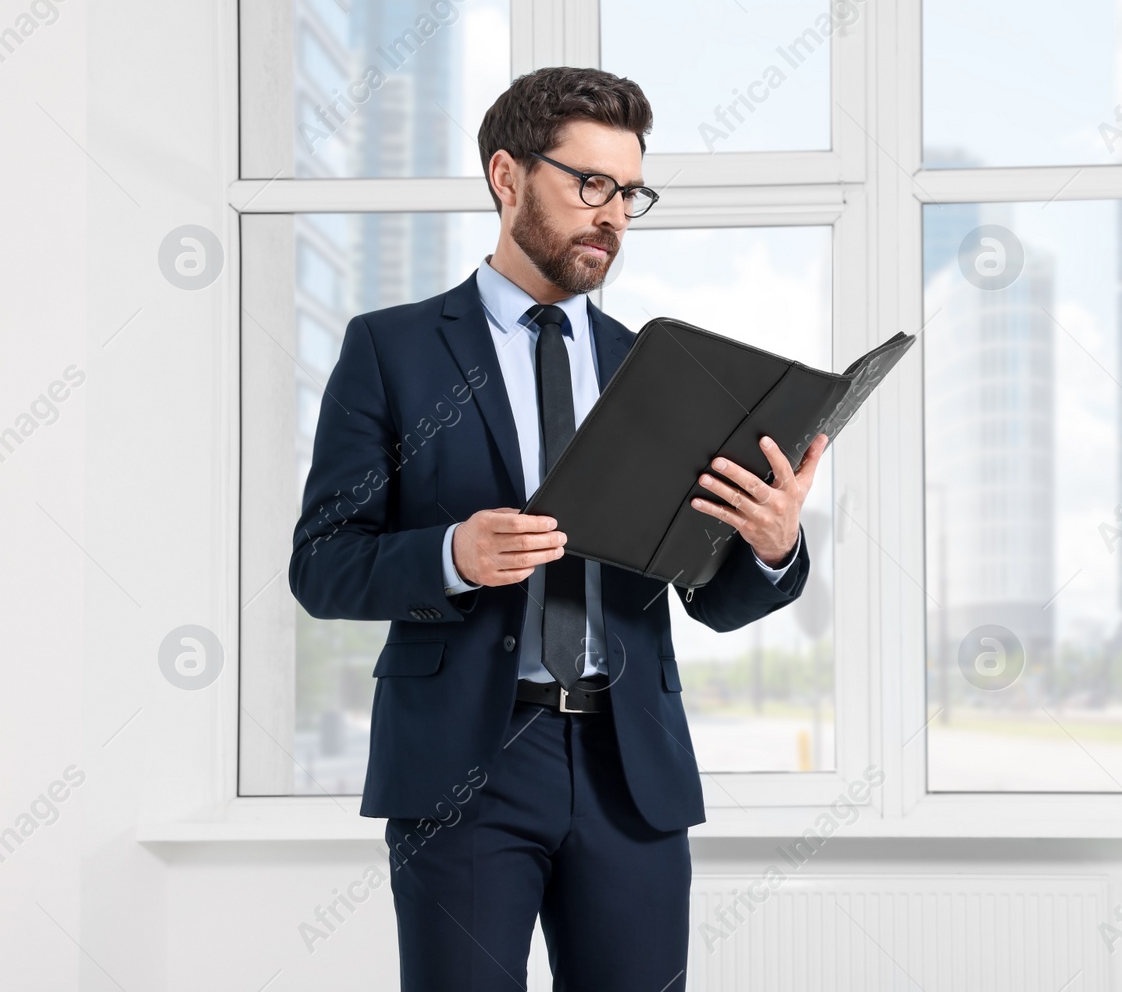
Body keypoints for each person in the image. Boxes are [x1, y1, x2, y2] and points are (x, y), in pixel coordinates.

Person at [288, 66, 828, 990]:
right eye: (589, 184)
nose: (612, 214)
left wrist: (773, 548)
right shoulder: (393, 349)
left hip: (631, 771)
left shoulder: (661, 371)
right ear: (507, 176)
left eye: (629, 192)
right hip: (465, 764)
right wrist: (453, 555)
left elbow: (712, 598)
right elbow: (322, 564)